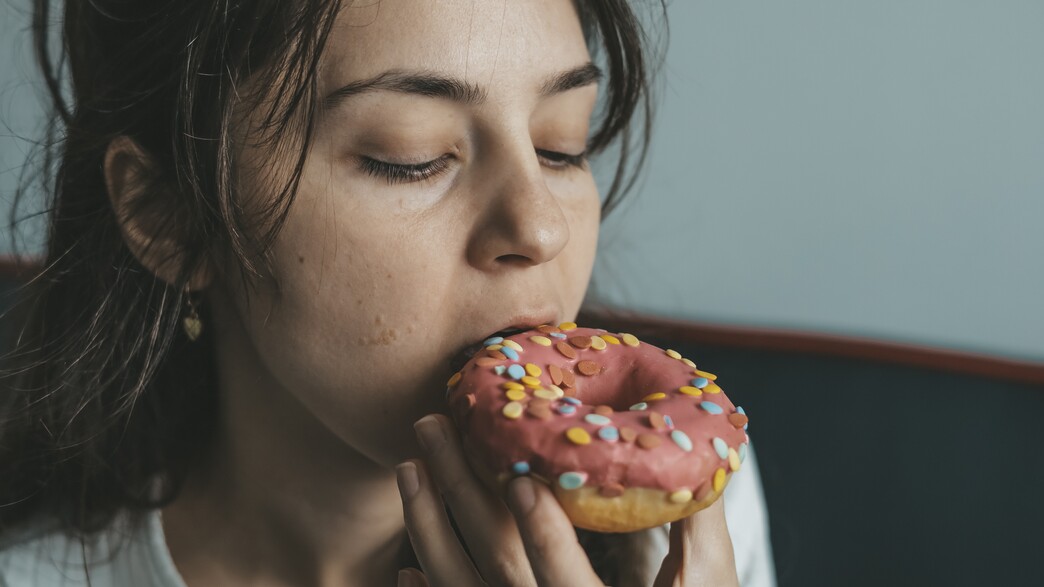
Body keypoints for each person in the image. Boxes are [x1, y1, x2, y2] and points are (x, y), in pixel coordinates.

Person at [0, 0, 775, 585]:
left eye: (560, 145)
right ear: (168, 217)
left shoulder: (679, 523)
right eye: (411, 157)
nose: (541, 228)